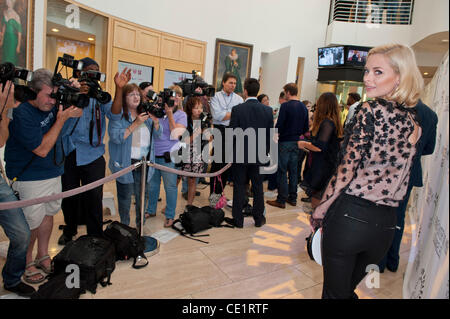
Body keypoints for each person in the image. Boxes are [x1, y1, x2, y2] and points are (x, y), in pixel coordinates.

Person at [311, 43, 424, 299]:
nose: (367, 79)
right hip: (385, 227)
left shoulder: (369, 110)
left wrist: (321, 208)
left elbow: (346, 169)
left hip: (351, 217)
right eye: (367, 71)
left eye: (378, 72)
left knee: (334, 294)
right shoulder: (414, 120)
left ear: (400, 77)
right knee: (345, 293)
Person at [5, 68, 82, 284]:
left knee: (49, 215)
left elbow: (80, 112)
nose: (52, 100)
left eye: (55, 94)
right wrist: (60, 119)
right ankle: (27, 262)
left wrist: (73, 94)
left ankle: (43, 254)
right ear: (33, 91)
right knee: (30, 223)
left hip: (53, 172)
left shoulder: (54, 104)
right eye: (49, 95)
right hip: (29, 177)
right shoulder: (22, 114)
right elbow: (41, 149)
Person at [58, 58, 130, 245]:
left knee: (94, 197)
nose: (92, 76)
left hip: (94, 154)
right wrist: (75, 94)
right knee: (69, 195)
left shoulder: (100, 96)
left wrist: (119, 88)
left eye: (95, 72)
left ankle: (95, 235)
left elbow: (115, 114)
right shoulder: (68, 92)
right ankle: (70, 229)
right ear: (78, 73)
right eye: (88, 72)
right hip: (70, 153)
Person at [378, 98, 438, 273]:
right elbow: (429, 148)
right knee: (398, 216)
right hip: (410, 172)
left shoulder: (395, 109)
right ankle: (392, 260)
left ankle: (380, 261)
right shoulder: (430, 114)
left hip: (389, 171)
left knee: (383, 216)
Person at [108, 83, 161, 228]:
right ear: (124, 98)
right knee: (124, 199)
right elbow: (116, 137)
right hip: (126, 164)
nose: (136, 97)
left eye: (138, 94)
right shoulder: (118, 116)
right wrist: (135, 123)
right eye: (132, 94)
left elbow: (158, 134)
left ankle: (140, 228)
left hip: (144, 163)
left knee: (142, 198)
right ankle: (124, 228)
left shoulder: (146, 114)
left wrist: (156, 121)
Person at [0, 81, 35, 297]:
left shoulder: (5, 107)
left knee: (21, 233)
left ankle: (12, 279)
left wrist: (2, 111)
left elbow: (1, 140)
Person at [229, 78, 273, 228]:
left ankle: (238, 220)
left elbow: (232, 134)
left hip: (240, 154)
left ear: (245, 91)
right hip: (260, 154)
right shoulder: (267, 110)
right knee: (258, 187)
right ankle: (258, 219)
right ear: (257, 91)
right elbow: (269, 135)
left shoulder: (237, 109)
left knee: (239, 186)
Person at [146, 85, 187, 228]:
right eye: (173, 95)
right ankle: (151, 210)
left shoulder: (182, 114)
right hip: (152, 153)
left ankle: (170, 215)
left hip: (169, 156)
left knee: (170, 187)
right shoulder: (159, 110)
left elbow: (176, 134)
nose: (175, 98)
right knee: (153, 186)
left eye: (178, 95)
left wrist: (169, 114)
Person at [298, 93, 343, 209]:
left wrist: (304, 143)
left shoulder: (327, 123)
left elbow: (320, 147)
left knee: (317, 198)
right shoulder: (334, 122)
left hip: (323, 166)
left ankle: (316, 222)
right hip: (327, 164)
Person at [266, 83, 308, 209]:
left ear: (288, 92)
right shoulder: (303, 107)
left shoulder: (285, 106)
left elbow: (279, 125)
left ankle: (281, 199)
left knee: (282, 171)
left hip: (284, 142)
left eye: (285, 92)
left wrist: (275, 136)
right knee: (294, 171)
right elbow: (306, 128)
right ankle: (293, 198)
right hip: (297, 142)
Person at [208, 73, 243, 207]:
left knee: (228, 166)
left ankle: (221, 193)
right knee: (217, 165)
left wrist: (227, 115)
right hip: (219, 132)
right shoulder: (215, 97)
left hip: (233, 133)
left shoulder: (239, 99)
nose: (233, 85)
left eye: (234, 83)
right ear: (223, 83)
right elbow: (217, 116)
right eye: (230, 82)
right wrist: (234, 114)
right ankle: (213, 195)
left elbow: (236, 117)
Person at [180, 96, 207, 210]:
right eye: (196, 108)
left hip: (197, 153)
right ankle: (168, 206)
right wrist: (197, 132)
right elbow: (184, 140)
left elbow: (208, 138)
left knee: (192, 181)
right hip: (183, 152)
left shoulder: (204, 120)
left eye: (201, 107)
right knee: (176, 179)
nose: (199, 110)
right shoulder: (184, 120)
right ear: (190, 109)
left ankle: (189, 205)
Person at [0, 0, 22, 65]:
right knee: (5, 57)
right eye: (7, 1)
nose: (8, 3)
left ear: (12, 3)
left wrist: (18, 45)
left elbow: (19, 32)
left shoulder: (16, 15)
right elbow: (4, 27)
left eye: (9, 1)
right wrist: (2, 40)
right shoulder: (5, 12)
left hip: (12, 40)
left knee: (11, 58)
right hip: (6, 39)